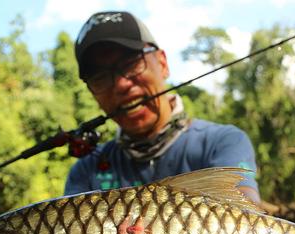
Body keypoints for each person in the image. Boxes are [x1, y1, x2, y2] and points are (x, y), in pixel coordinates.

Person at [65, 11, 261, 204]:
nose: (120, 84)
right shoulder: (86, 170)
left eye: (130, 63)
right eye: (100, 78)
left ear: (162, 63)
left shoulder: (222, 142)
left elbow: (246, 212)